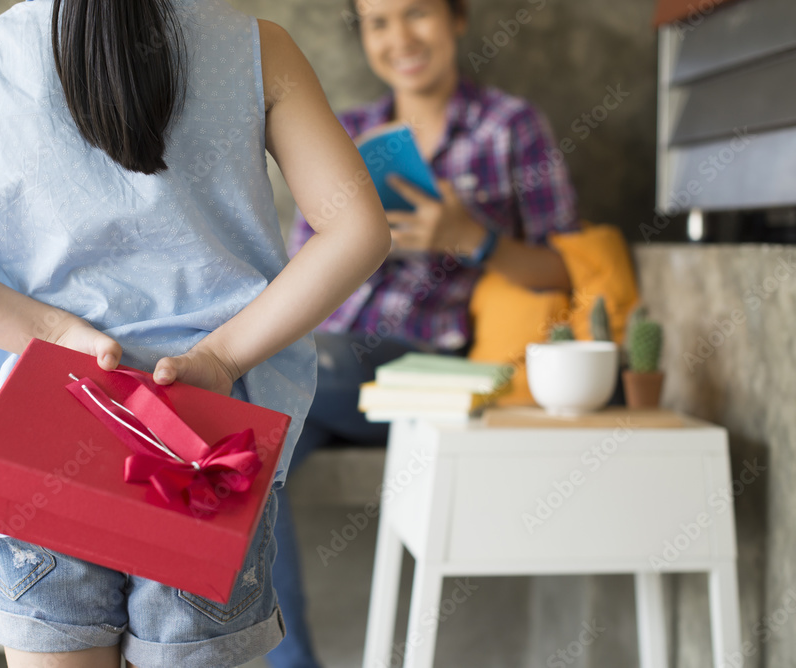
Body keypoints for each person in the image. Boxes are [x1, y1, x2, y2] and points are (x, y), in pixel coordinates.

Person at [0, 0, 392, 665]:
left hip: (42, 437)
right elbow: (358, 231)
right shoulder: (260, 49)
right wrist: (220, 357)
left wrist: (51, 330)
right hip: (204, 448)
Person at [266, 0, 579, 666]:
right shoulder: (344, 132)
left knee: (260, 378)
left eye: (417, 15)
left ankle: (77, 583)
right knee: (250, 452)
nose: (400, 37)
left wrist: (474, 238)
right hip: (326, 366)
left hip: (425, 366)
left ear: (457, 19)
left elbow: (563, 272)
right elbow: (300, 269)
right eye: (379, 22)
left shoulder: (509, 126)